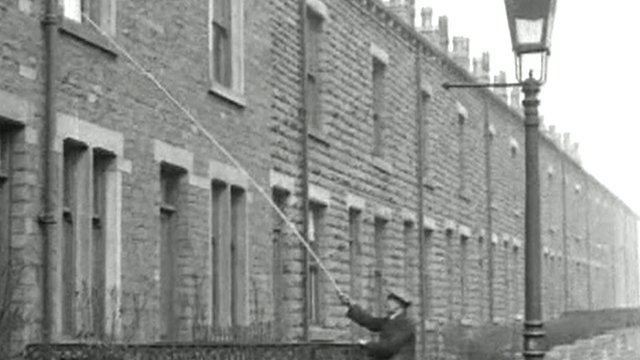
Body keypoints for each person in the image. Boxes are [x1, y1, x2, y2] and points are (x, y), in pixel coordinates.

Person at [338, 290, 416, 360]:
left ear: (400, 305)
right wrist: (350, 304)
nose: (386, 303)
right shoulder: (390, 321)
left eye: (391, 300)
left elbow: (387, 348)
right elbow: (370, 321)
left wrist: (367, 344)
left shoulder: (405, 325)